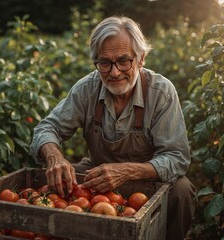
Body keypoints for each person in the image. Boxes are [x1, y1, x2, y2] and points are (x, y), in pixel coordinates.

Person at [31, 16, 195, 240]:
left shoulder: (161, 92)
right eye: (105, 63)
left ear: (141, 59)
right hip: (98, 171)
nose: (115, 72)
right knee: (59, 185)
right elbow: (47, 128)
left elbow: (177, 157)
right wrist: (55, 157)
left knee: (181, 190)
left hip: (149, 178)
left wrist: (127, 171)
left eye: (123, 61)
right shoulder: (87, 89)